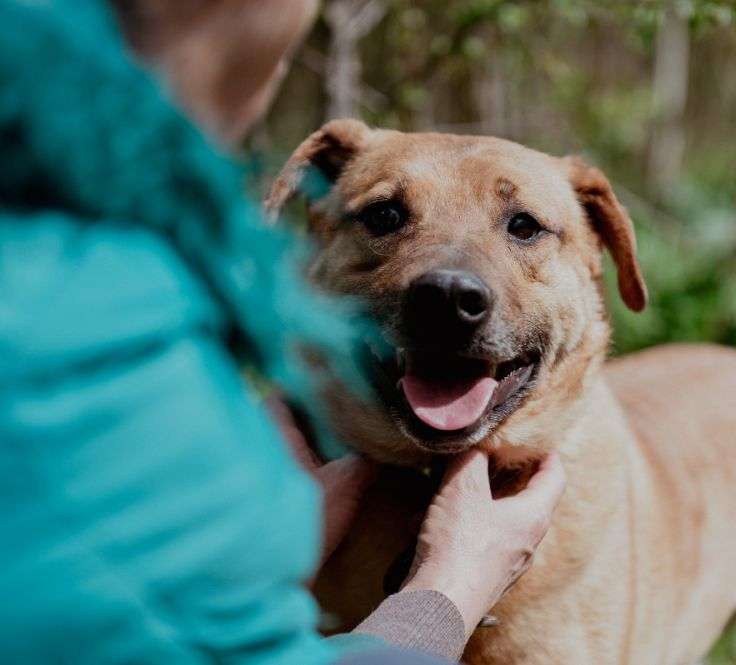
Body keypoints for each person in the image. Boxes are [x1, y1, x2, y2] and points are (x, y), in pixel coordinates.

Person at [0, 1, 566, 663]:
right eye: (386, 216)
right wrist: (452, 587)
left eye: (523, 227)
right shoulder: (95, 333)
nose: (451, 280)